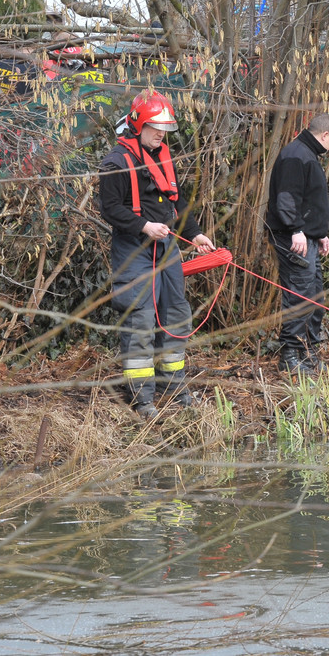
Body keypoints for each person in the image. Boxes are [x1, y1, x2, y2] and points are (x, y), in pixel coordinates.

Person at [98, 90, 215, 418]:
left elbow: (176, 202)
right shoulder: (116, 162)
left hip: (167, 249)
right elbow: (110, 209)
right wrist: (144, 226)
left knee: (176, 312)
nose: (161, 133)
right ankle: (142, 397)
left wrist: (194, 234)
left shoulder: (163, 155)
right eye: (155, 127)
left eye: (165, 127)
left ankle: (173, 385)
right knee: (140, 319)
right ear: (138, 124)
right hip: (133, 250)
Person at [266, 113, 329, 374]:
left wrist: (319, 233)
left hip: (307, 238)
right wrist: (296, 229)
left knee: (315, 294)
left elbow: (308, 201)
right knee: (299, 296)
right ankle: (290, 355)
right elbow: (287, 198)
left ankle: (308, 353)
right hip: (292, 239)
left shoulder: (308, 155)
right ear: (325, 135)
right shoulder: (296, 155)